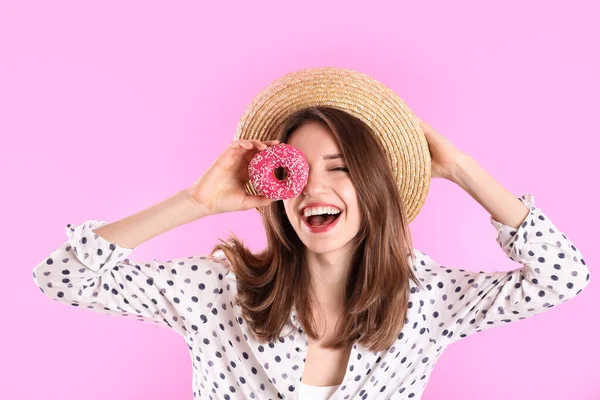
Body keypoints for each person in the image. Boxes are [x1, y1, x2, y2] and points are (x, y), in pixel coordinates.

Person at [33, 70, 591, 400]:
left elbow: (563, 276)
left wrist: (462, 167)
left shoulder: (428, 301)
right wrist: (196, 202)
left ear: (373, 186)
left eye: (342, 167)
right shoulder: (215, 291)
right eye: (296, 169)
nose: (315, 187)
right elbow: (62, 277)